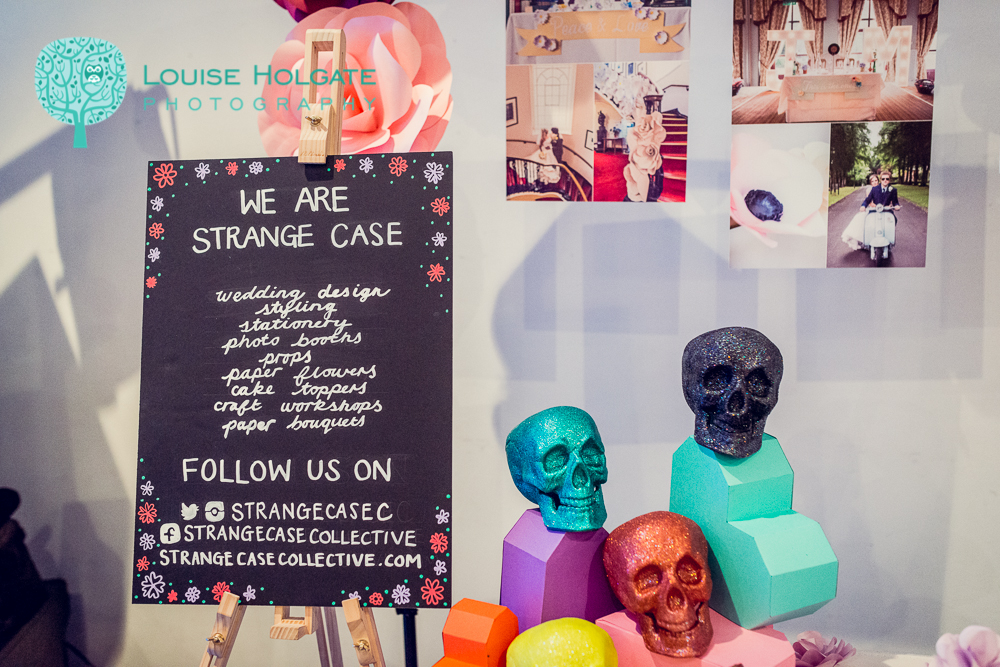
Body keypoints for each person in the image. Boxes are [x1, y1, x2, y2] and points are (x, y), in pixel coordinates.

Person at [841, 173, 879, 250]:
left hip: (881, 209)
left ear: (878, 181)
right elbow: (870, 202)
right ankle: (866, 241)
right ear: (870, 183)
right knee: (861, 219)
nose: (875, 182)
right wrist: (878, 206)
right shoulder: (869, 190)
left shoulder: (881, 189)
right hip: (873, 209)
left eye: (876, 180)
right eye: (873, 181)